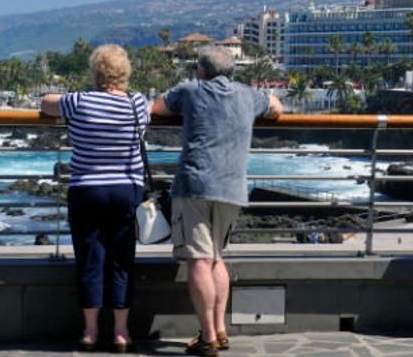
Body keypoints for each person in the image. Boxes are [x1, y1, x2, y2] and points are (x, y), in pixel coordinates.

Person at [151, 46, 282, 356]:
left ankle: (208, 337)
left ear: (201, 71)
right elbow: (277, 107)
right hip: (232, 187)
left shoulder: (190, 90)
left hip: (195, 185)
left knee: (198, 260)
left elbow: (156, 107)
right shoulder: (248, 95)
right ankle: (220, 330)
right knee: (216, 258)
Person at [40, 44, 148, 353]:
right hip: (126, 189)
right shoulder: (137, 103)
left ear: (95, 72)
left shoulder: (79, 101)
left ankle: (90, 331)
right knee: (122, 259)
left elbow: (46, 103)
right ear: (125, 72)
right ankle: (121, 332)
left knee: (89, 257)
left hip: (87, 189)